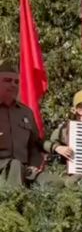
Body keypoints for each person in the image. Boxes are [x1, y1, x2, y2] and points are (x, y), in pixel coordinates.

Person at [0, 59, 45, 188]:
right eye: (7, 80)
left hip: (25, 170)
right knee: (14, 166)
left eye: (16, 82)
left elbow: (35, 145)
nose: (13, 85)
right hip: (3, 168)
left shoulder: (25, 112)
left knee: (53, 183)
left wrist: (34, 165)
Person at [44, 90, 82, 166]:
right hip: (74, 174)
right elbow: (44, 143)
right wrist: (58, 148)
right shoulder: (66, 130)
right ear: (79, 110)